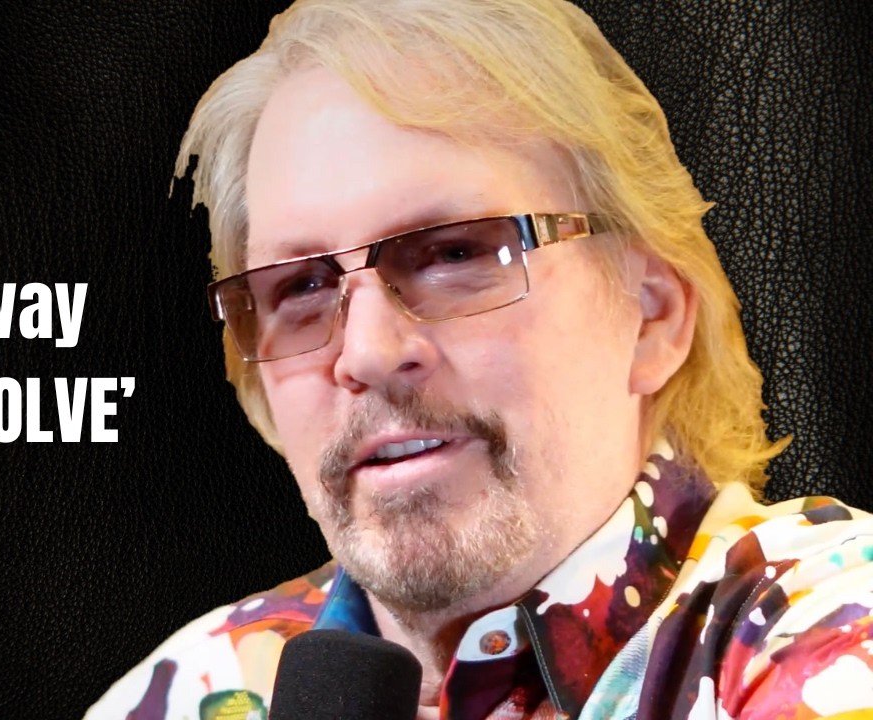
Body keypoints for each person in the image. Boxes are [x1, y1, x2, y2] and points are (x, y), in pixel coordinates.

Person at [87, 1, 873, 718]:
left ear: (650, 317)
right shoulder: (180, 694)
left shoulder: (833, 633)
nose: (368, 352)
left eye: (455, 253)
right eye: (302, 287)